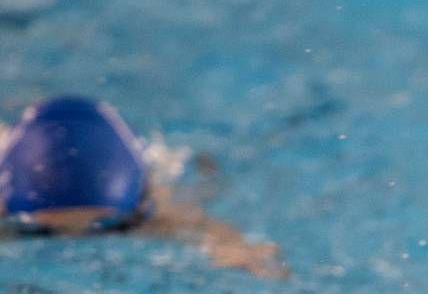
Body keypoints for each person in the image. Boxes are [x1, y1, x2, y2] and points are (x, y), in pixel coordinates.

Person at [0, 95, 284, 276]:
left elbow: (208, 230)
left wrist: (237, 249)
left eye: (106, 224)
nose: (72, 238)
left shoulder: (151, 206)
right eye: (43, 229)